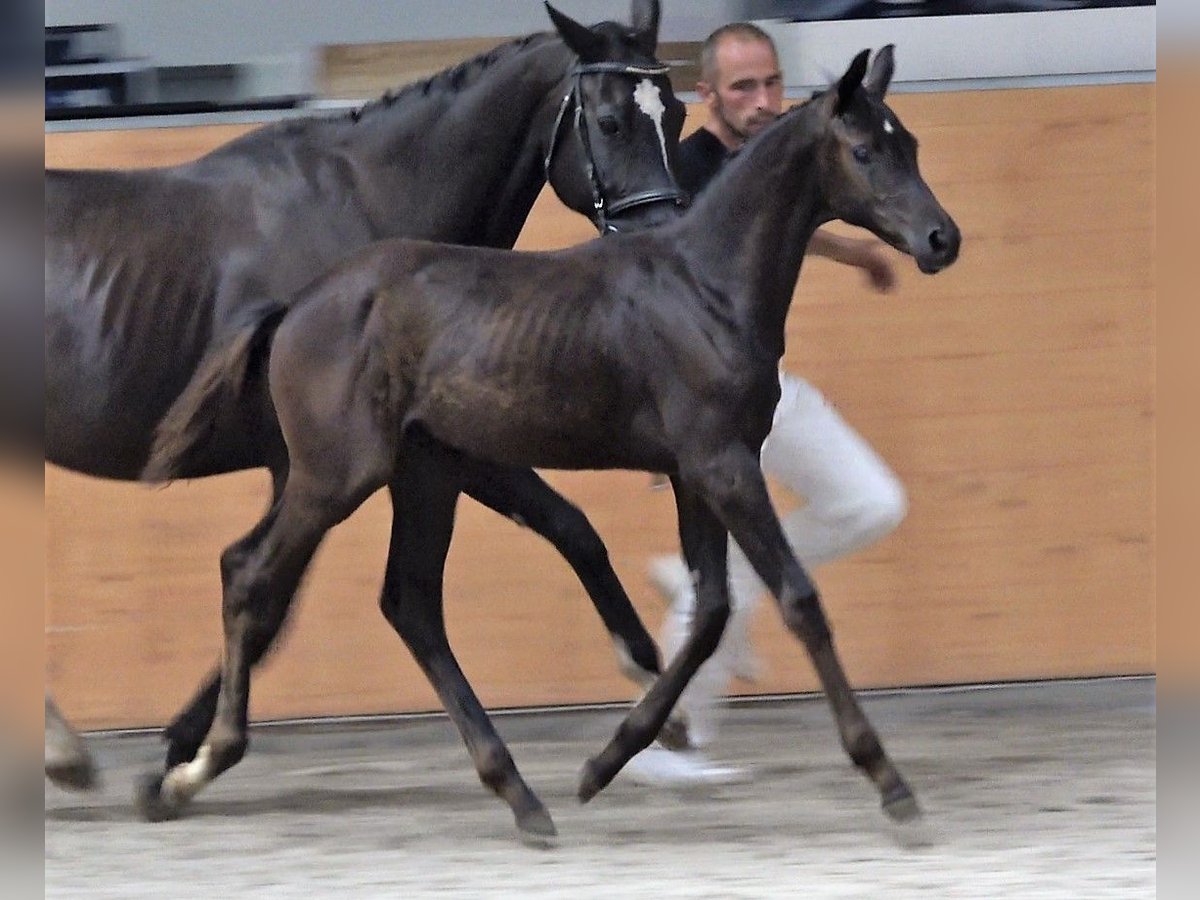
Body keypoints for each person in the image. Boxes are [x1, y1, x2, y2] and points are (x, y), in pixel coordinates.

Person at [625, 23, 908, 787]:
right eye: (742, 88)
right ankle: (671, 737)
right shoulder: (687, 170)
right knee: (739, 560)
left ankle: (719, 597)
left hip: (765, 386)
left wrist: (858, 254)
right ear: (707, 95)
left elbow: (795, 220)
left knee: (873, 502)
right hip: (710, 398)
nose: (761, 100)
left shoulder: (784, 147)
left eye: (770, 84)